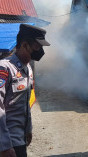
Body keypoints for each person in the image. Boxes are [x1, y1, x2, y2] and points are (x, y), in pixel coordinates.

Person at [0, 24, 50, 157]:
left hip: (20, 139)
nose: (41, 51)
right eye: (38, 46)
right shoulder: (5, 68)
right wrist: (4, 146)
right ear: (25, 45)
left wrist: (28, 129)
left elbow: (25, 104)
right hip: (8, 142)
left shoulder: (28, 69)